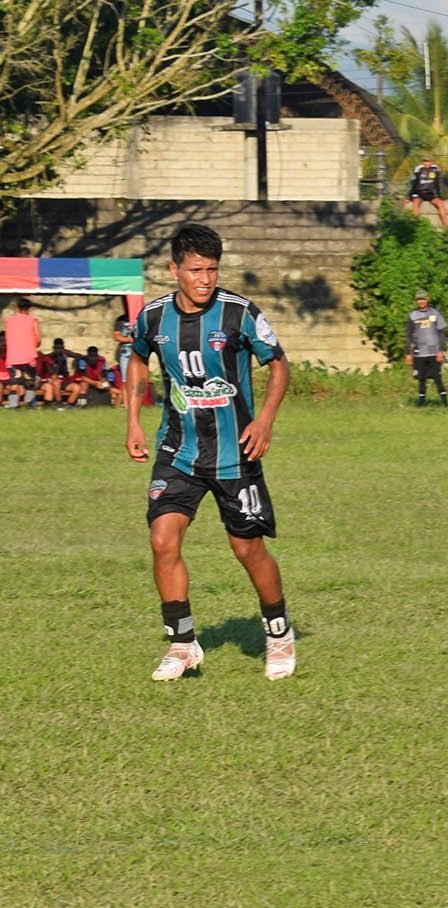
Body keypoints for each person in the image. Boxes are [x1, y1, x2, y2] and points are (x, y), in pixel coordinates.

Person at [125, 223, 296, 682]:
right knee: (162, 540)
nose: (205, 279)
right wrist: (134, 422)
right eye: (195, 270)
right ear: (173, 269)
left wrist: (264, 421)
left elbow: (278, 364)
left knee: (247, 548)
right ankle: (183, 644)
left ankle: (278, 632)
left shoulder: (239, 313)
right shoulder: (153, 317)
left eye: (212, 270)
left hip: (234, 453)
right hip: (177, 450)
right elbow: (138, 358)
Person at [405, 289, 448, 408]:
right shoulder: (412, 315)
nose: (421, 301)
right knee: (421, 379)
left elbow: (441, 333)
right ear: (416, 301)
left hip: (434, 352)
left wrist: (441, 351)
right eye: (419, 299)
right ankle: (421, 404)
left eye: (423, 299)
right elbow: (408, 335)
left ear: (427, 299)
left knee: (437, 378)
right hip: (419, 353)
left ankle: (445, 404)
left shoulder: (435, 313)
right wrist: (408, 353)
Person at [4, 298, 41, 408]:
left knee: (14, 383)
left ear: (17, 308)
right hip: (28, 356)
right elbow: (38, 339)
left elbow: (7, 339)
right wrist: (33, 345)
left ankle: (13, 406)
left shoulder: (9, 321)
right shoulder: (32, 320)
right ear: (29, 308)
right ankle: (29, 404)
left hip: (13, 357)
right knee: (29, 381)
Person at [408, 155, 448, 230]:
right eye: (425, 161)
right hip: (420, 193)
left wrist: (440, 196)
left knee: (440, 204)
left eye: (428, 161)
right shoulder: (419, 170)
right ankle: (415, 225)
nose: (426, 163)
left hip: (430, 193)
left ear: (431, 162)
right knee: (415, 203)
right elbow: (414, 183)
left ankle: (446, 226)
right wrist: (410, 196)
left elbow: (438, 184)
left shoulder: (435, 170)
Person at [37, 338, 77, 407]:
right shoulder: (48, 358)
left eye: (61, 348)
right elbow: (52, 374)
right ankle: (59, 403)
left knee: (76, 387)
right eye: (57, 348)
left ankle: (68, 406)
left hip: (64, 381)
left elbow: (79, 356)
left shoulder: (65, 354)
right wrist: (59, 363)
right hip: (52, 381)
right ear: (53, 348)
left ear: (63, 348)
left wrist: (70, 354)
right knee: (56, 383)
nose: (59, 350)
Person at [113, 306, 135, 377]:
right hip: (126, 352)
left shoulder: (141, 317)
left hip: (139, 351)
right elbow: (116, 336)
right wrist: (129, 340)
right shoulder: (121, 320)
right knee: (126, 378)